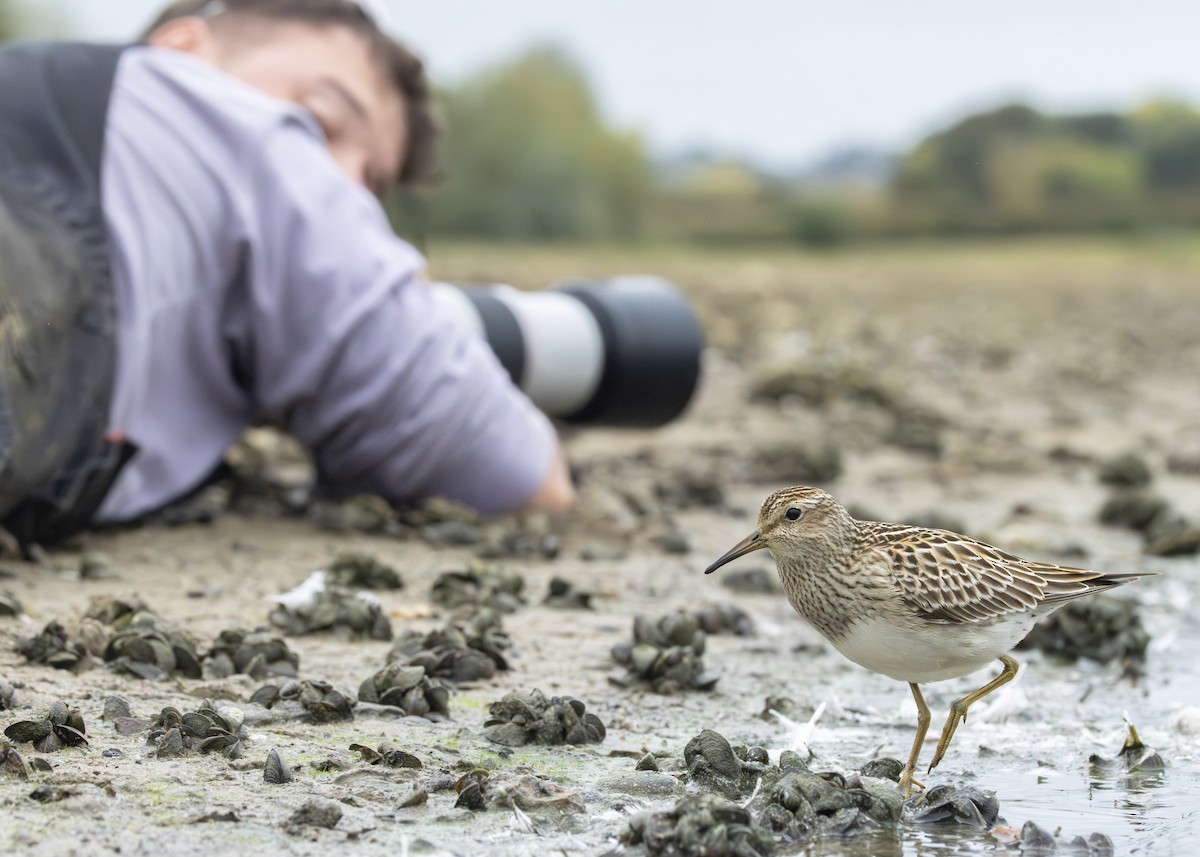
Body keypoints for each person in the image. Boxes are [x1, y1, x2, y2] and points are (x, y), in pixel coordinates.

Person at [0, 0, 575, 548]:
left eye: (371, 190)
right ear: (181, 50)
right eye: (320, 122)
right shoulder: (212, 115)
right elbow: (521, 478)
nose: (343, 189)